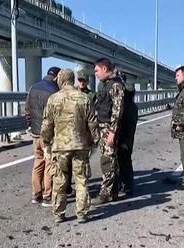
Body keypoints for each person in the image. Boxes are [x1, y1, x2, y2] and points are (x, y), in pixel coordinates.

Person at [41, 69, 99, 224]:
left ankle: (59, 213)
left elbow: (47, 124)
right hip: (80, 146)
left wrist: (46, 143)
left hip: (60, 147)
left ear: (61, 80)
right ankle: (82, 213)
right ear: (72, 80)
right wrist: (94, 141)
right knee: (81, 180)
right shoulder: (84, 98)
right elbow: (93, 123)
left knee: (60, 181)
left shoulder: (53, 99)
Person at [25, 66, 60, 207]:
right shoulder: (54, 91)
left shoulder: (33, 87)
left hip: (35, 133)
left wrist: (30, 125)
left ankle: (36, 195)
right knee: (49, 163)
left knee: (38, 162)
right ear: (56, 77)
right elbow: (54, 116)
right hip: (47, 135)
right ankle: (47, 196)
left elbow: (27, 109)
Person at [92, 58, 125, 205]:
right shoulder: (106, 85)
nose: (96, 74)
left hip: (109, 129)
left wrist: (112, 132)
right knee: (112, 160)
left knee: (107, 160)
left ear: (104, 69)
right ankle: (114, 190)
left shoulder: (115, 85)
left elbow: (118, 111)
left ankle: (105, 193)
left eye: (97, 71)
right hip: (104, 127)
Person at [115, 72, 138, 197]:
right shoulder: (132, 106)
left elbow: (123, 125)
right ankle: (126, 185)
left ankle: (126, 186)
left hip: (124, 138)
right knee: (125, 161)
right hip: (128, 138)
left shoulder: (126, 106)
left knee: (122, 161)